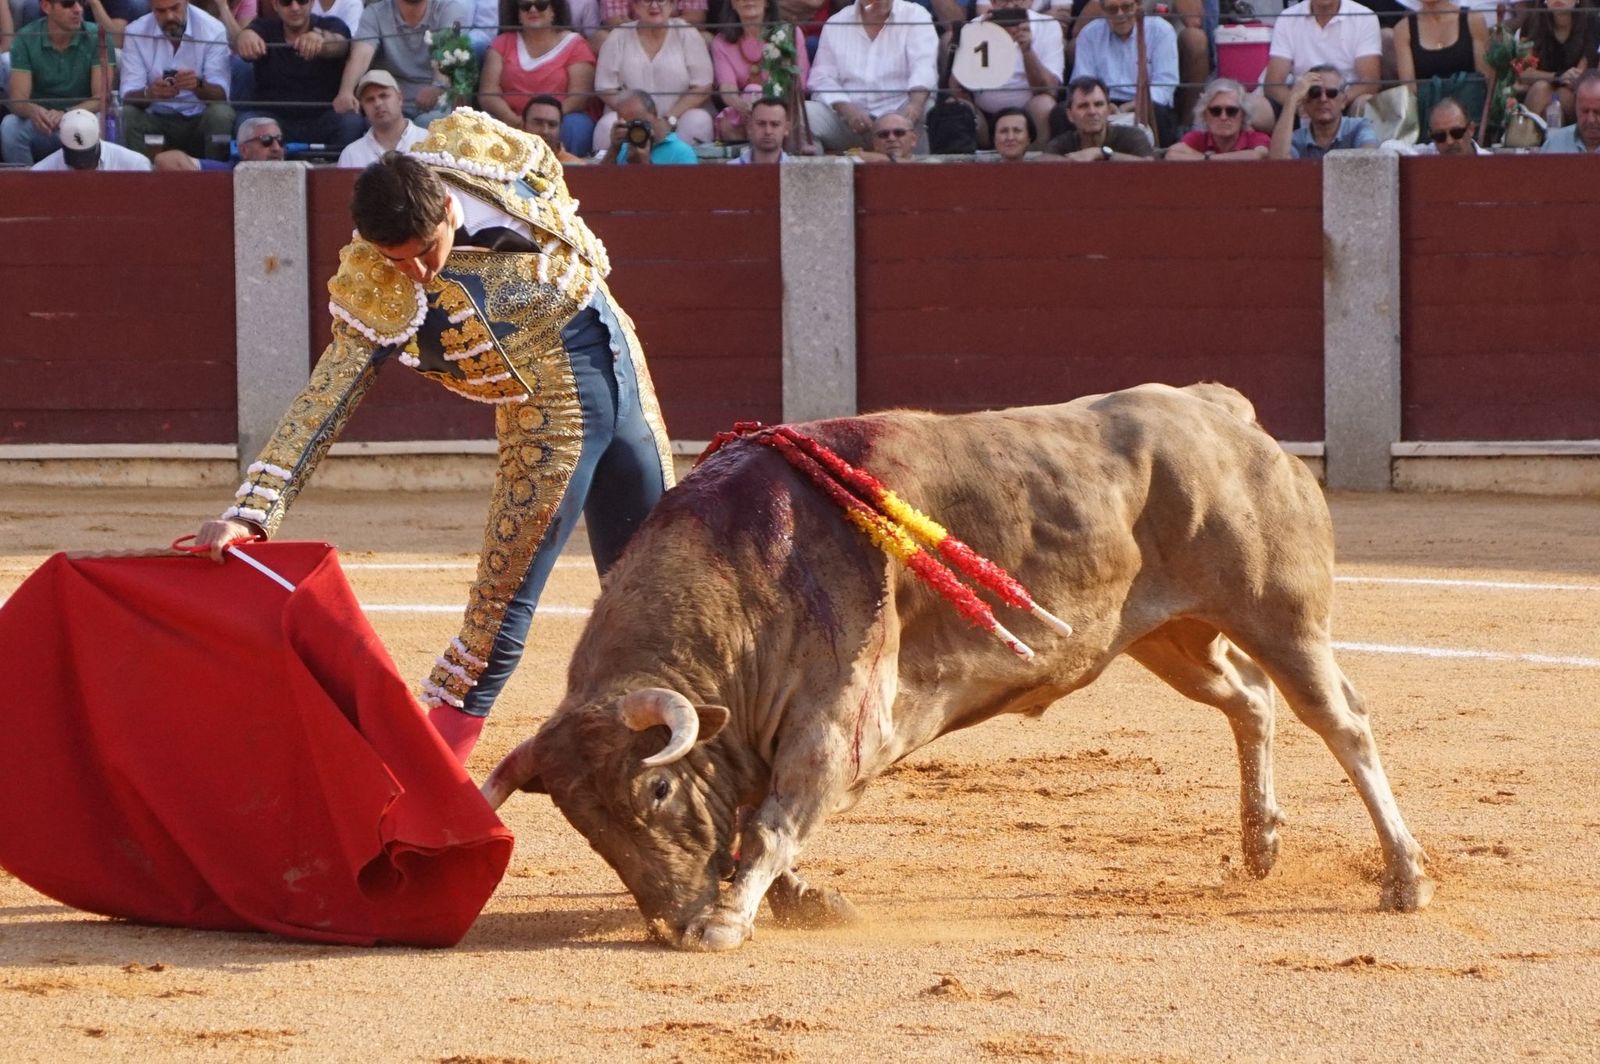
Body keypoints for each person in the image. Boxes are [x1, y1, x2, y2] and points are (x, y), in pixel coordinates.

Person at [194, 108, 676, 766]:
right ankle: (416, 791)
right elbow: (326, 396)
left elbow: (546, 170)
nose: (416, 274)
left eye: (423, 252)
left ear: (448, 207)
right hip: (547, 414)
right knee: (496, 617)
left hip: (619, 357)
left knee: (658, 583)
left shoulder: (485, 153)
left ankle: (699, 780)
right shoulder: (377, 283)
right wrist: (250, 513)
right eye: (398, 260)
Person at [805, 0, 938, 153]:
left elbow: (924, 68)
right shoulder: (836, 22)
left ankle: (918, 173)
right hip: (850, 121)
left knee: (926, 109)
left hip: (901, 116)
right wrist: (848, 111)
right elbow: (822, 78)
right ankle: (816, 175)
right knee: (806, 116)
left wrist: (914, 106)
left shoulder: (915, 15)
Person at [233, 0, 363, 151]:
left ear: (312, 2)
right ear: (275, 5)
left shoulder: (331, 25)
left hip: (323, 119)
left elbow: (340, 44)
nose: (295, 8)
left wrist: (321, 41)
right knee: (245, 122)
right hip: (275, 122)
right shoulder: (265, 27)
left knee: (351, 122)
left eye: (301, 1)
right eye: (286, 2)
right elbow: (247, 35)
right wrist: (246, 37)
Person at [118, 0, 236, 160]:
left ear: (186, 2)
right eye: (161, 11)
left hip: (198, 119)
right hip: (155, 119)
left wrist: (198, 85)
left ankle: (216, 175)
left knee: (221, 114)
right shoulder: (135, 31)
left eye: (175, 8)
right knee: (129, 114)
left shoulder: (212, 29)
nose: (169, 16)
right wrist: (151, 93)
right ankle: (140, 179)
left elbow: (221, 95)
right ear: (150, 7)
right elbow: (128, 94)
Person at [592, 0, 714, 151]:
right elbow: (605, 88)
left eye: (662, 0)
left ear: (672, 5)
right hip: (630, 120)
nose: (655, 6)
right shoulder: (618, 35)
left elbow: (702, 86)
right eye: (647, 1)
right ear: (635, 5)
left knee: (698, 120)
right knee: (607, 125)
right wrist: (637, 116)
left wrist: (669, 119)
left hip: (677, 118)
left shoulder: (687, 33)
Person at [1, 0, 112, 165]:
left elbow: (102, 97)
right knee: (10, 127)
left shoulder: (98, 36)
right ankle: (27, 187)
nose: (78, 9)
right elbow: (18, 100)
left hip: (82, 119)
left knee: (105, 122)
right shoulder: (26, 38)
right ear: (46, 7)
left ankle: (92, 185)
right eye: (68, 4)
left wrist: (67, 113)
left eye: (80, 3)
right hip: (42, 124)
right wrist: (33, 111)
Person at [480, 0, 597, 155]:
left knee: (576, 125)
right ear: (518, 13)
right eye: (525, 6)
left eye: (541, 5)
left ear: (554, 10)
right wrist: (515, 120)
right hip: (511, 119)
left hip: (559, 119)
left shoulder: (576, 45)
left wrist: (542, 119)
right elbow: (488, 93)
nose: (533, 10)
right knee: (483, 123)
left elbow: (578, 98)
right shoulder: (502, 43)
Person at [333, 0, 471, 125]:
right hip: (389, 101)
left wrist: (438, 86)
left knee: (429, 123)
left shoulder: (448, 9)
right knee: (378, 120)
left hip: (437, 101)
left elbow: (447, 54)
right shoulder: (375, 13)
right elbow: (361, 55)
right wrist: (346, 91)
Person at [1067, 0, 1180, 145]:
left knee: (1160, 115)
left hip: (1146, 102)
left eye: (1126, 7)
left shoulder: (1161, 30)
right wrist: (1104, 105)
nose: (1120, 14)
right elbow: (1082, 83)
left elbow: (1165, 86)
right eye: (1112, 9)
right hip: (1102, 101)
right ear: (1102, 11)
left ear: (1138, 6)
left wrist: (1132, 106)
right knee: (1061, 112)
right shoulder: (1089, 33)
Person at [952, 0, 1062, 148]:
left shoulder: (1048, 26)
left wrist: (1027, 51)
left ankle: (1036, 165)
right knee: (956, 106)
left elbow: (1050, 89)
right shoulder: (975, 26)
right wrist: (982, 37)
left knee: (1045, 104)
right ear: (993, 2)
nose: (1010, 5)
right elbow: (956, 86)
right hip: (983, 115)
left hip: (1029, 112)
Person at [711, 0, 808, 144]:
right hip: (744, 113)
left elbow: (799, 84)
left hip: (785, 109)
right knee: (742, 105)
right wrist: (743, 106)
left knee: (754, 91)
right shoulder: (721, 42)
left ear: (768, 2)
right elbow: (727, 88)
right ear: (732, 4)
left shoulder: (789, 33)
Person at [1263, 0, 1382, 116]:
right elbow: (1273, 84)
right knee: (1254, 108)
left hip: (1346, 102)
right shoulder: (1287, 18)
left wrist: (1335, 103)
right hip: (1301, 105)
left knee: (1366, 103)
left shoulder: (1364, 16)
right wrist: (1297, 105)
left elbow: (1370, 83)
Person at [1268, 63, 1379, 158]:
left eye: (1331, 93)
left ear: (1343, 101)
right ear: (1305, 103)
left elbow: (1369, 160)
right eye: (1315, 93)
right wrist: (1292, 100)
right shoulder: (1296, 139)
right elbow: (1278, 162)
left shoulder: (1359, 127)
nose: (1323, 99)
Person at [1520, 0, 1598, 127]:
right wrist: (1558, 76)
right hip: (1539, 87)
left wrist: (1567, 78)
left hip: (1573, 89)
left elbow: (1579, 73)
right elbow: (1525, 72)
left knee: (1563, 95)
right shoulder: (1532, 20)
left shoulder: (1591, 22)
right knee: (1541, 88)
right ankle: (1532, 139)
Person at [1041, 74, 1153, 159]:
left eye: (1098, 104)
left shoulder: (1132, 137)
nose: (1092, 111)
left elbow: (1150, 167)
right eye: (1083, 106)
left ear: (1109, 111)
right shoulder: (1062, 144)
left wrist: (1101, 153)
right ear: (1070, 115)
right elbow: (1042, 162)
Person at [336, 68, 428, 165]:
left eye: (383, 96)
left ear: (400, 98)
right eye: (370, 99)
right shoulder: (351, 154)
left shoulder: (428, 141)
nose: (378, 103)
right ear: (363, 107)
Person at [1167, 76, 1271, 159]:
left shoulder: (1256, 138)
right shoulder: (1197, 138)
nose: (1223, 117)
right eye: (1215, 111)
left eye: (1231, 111)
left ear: (1243, 114)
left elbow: (1257, 155)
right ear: (1205, 115)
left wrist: (1208, 158)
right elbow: (1172, 153)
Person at [31, 104, 154, 166]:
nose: (82, 165)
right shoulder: (42, 170)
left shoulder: (135, 164)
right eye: (75, 156)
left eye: (87, 154)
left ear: (99, 139)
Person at [600, 84, 698, 160]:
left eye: (640, 122)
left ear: (654, 114)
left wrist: (642, 165)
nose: (636, 129)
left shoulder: (680, 152)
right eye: (629, 125)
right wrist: (613, 149)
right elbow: (599, 183)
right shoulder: (622, 150)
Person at [152, 111, 285, 166]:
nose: (276, 148)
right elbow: (163, 159)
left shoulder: (300, 171)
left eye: (280, 141)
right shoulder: (229, 172)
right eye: (266, 140)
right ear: (244, 150)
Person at [1403, 92, 1489, 152]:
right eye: (1440, 136)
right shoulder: (1424, 154)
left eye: (1456, 133)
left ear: (1471, 129)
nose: (1449, 141)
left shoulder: (1490, 164)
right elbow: (1391, 146)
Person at [1541, 66, 1600, 151]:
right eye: (1585, 111)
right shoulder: (1555, 143)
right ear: (1575, 107)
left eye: (1597, 112)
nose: (1591, 120)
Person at [522, 91, 584, 160]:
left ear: (560, 129)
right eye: (538, 123)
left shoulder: (575, 166)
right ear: (523, 125)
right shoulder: (508, 162)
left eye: (552, 125)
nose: (545, 131)